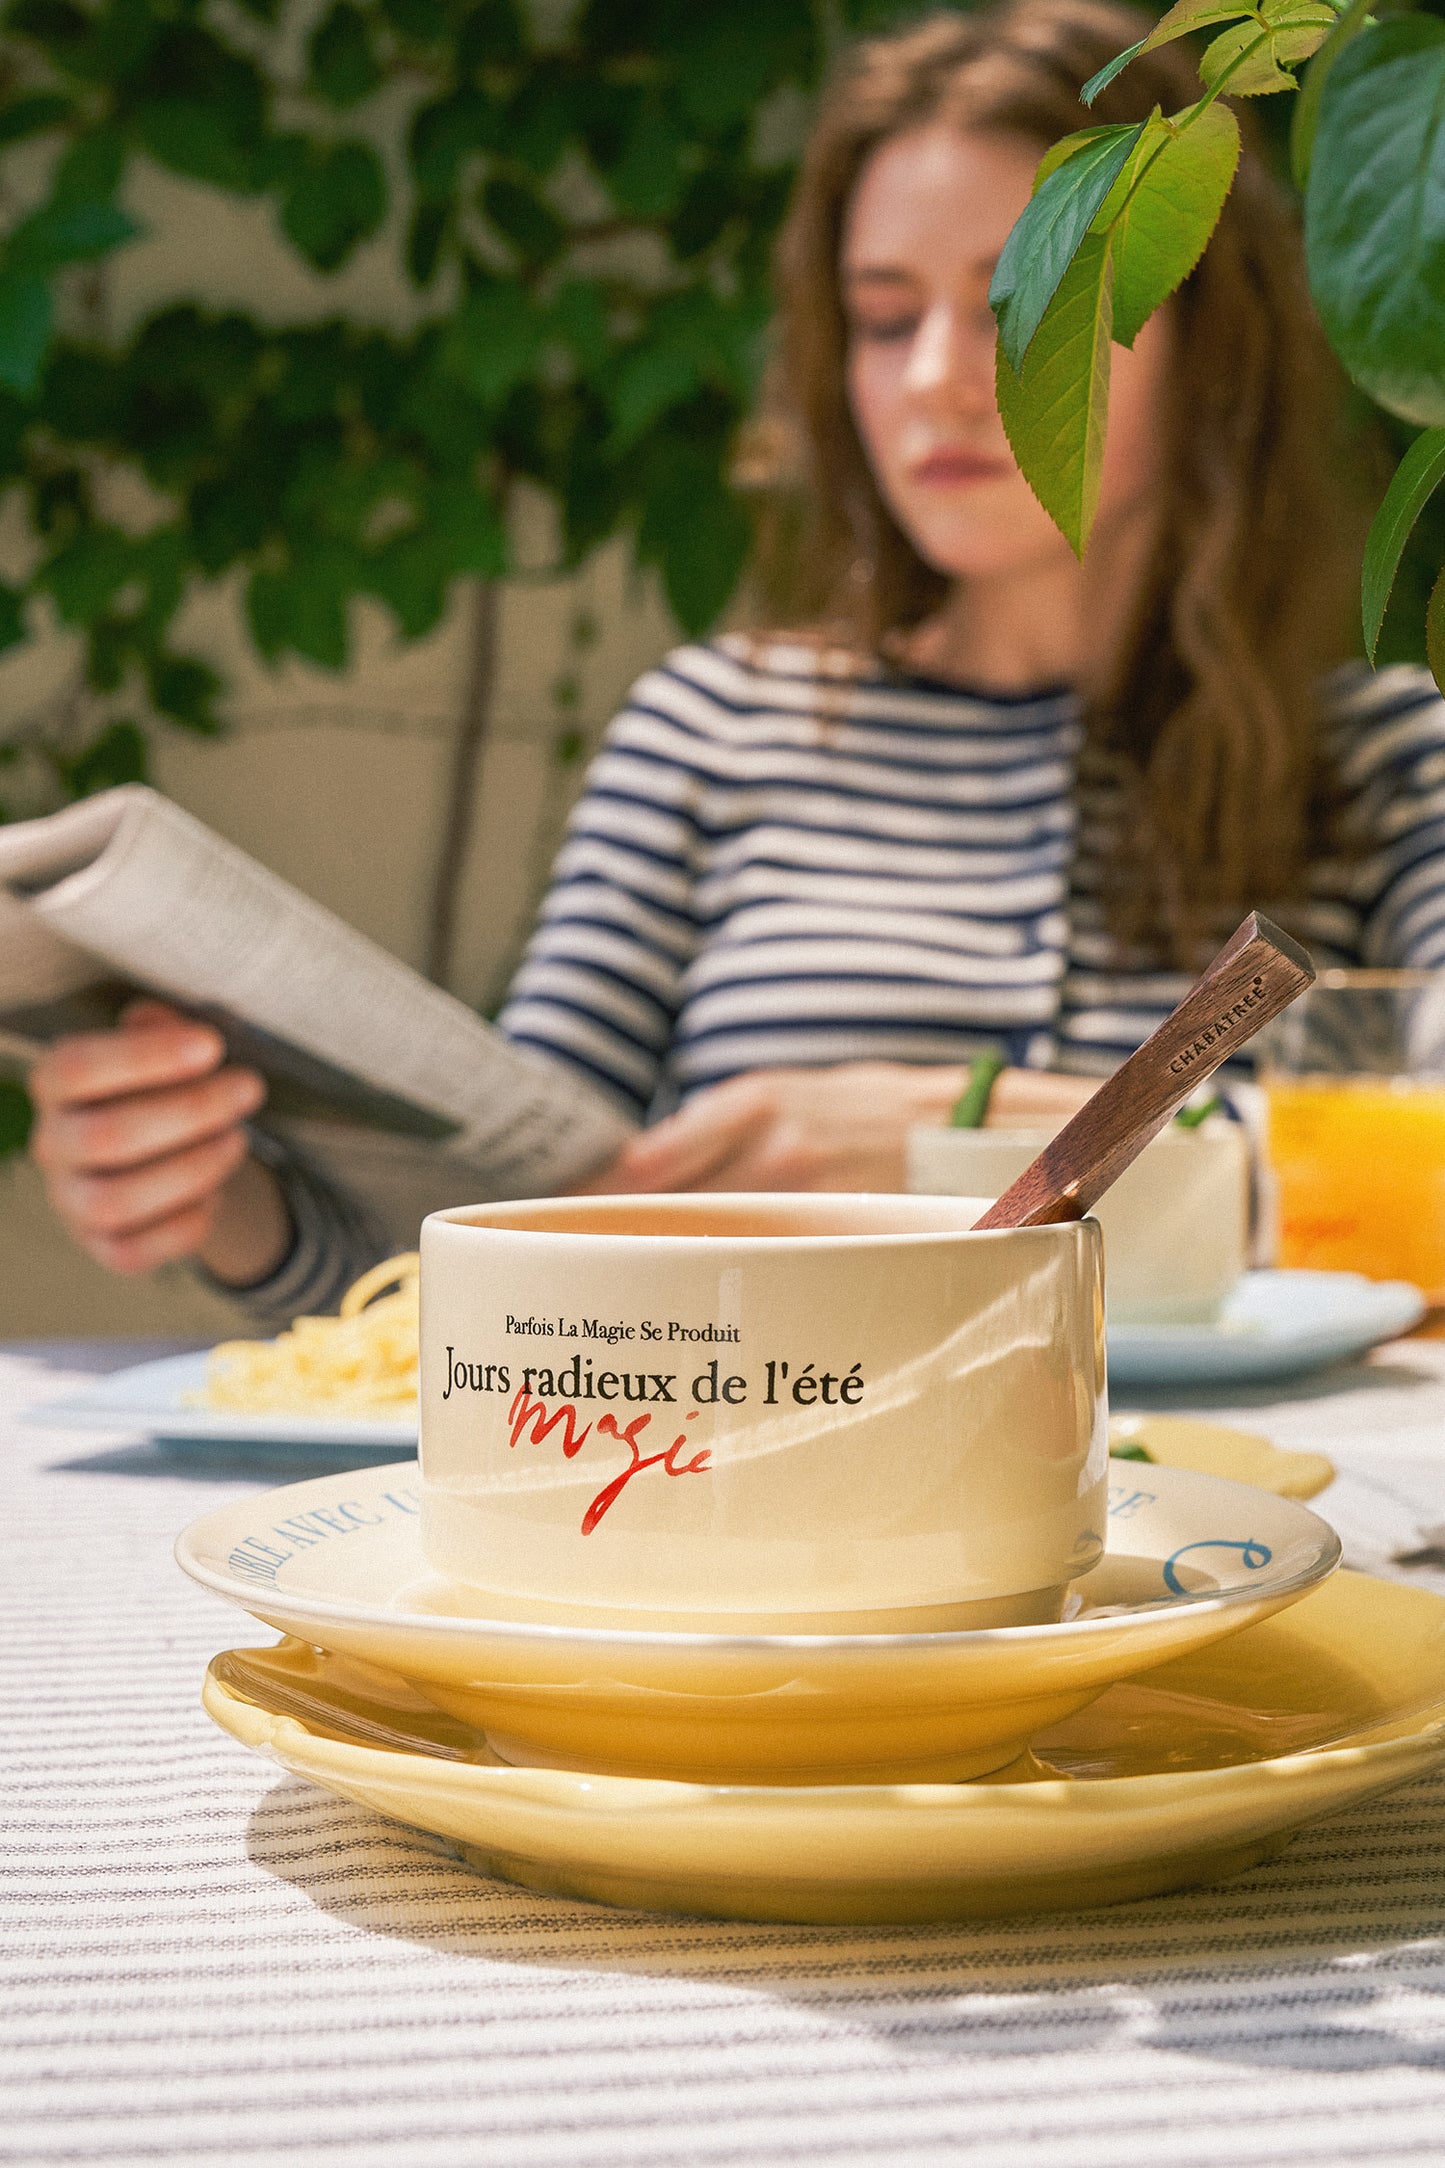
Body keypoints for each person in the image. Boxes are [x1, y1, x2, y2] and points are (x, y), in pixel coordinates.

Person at [27, 0, 1445, 1318]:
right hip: (766, 1461)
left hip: (1252, 1470)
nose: (937, 378)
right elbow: (507, 1245)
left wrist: (933, 1132)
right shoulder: (713, 729)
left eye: (1026, 303)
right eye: (883, 318)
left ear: (1208, 341)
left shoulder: (1385, 758)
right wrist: (223, 1200)